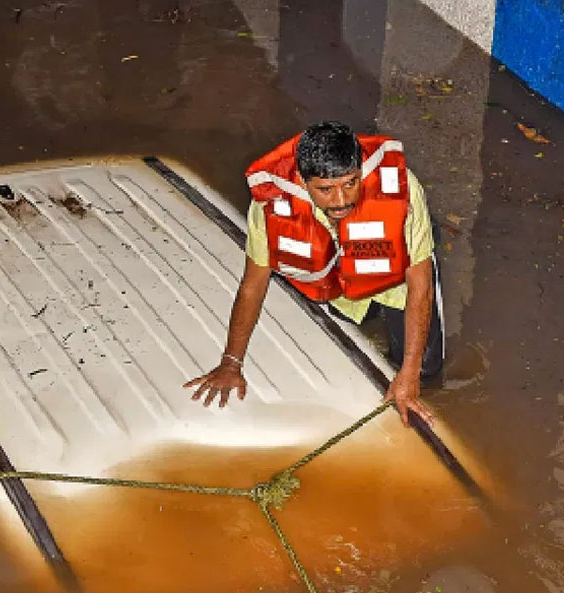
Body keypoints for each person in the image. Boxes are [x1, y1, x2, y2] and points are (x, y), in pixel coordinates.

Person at [184, 121, 443, 426]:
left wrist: (409, 372)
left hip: (397, 279)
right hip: (336, 283)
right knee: (347, 326)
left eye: (350, 183)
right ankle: (361, 308)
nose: (341, 200)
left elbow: (420, 284)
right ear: (303, 182)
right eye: (325, 190)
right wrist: (231, 363)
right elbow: (253, 285)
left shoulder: (402, 190)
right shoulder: (271, 204)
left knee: (427, 369)